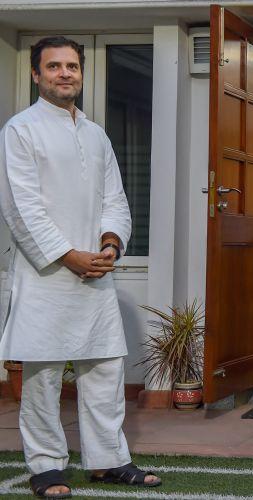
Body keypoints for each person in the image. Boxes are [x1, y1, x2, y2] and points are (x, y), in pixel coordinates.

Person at [0, 36, 161, 498]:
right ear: (37, 75)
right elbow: (20, 207)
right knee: (43, 374)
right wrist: (67, 255)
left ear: (81, 74)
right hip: (46, 273)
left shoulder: (95, 133)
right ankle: (47, 466)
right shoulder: (21, 130)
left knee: (105, 369)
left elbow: (115, 198)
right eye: (54, 67)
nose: (65, 73)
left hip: (95, 273)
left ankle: (108, 460)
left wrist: (111, 243)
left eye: (72, 66)